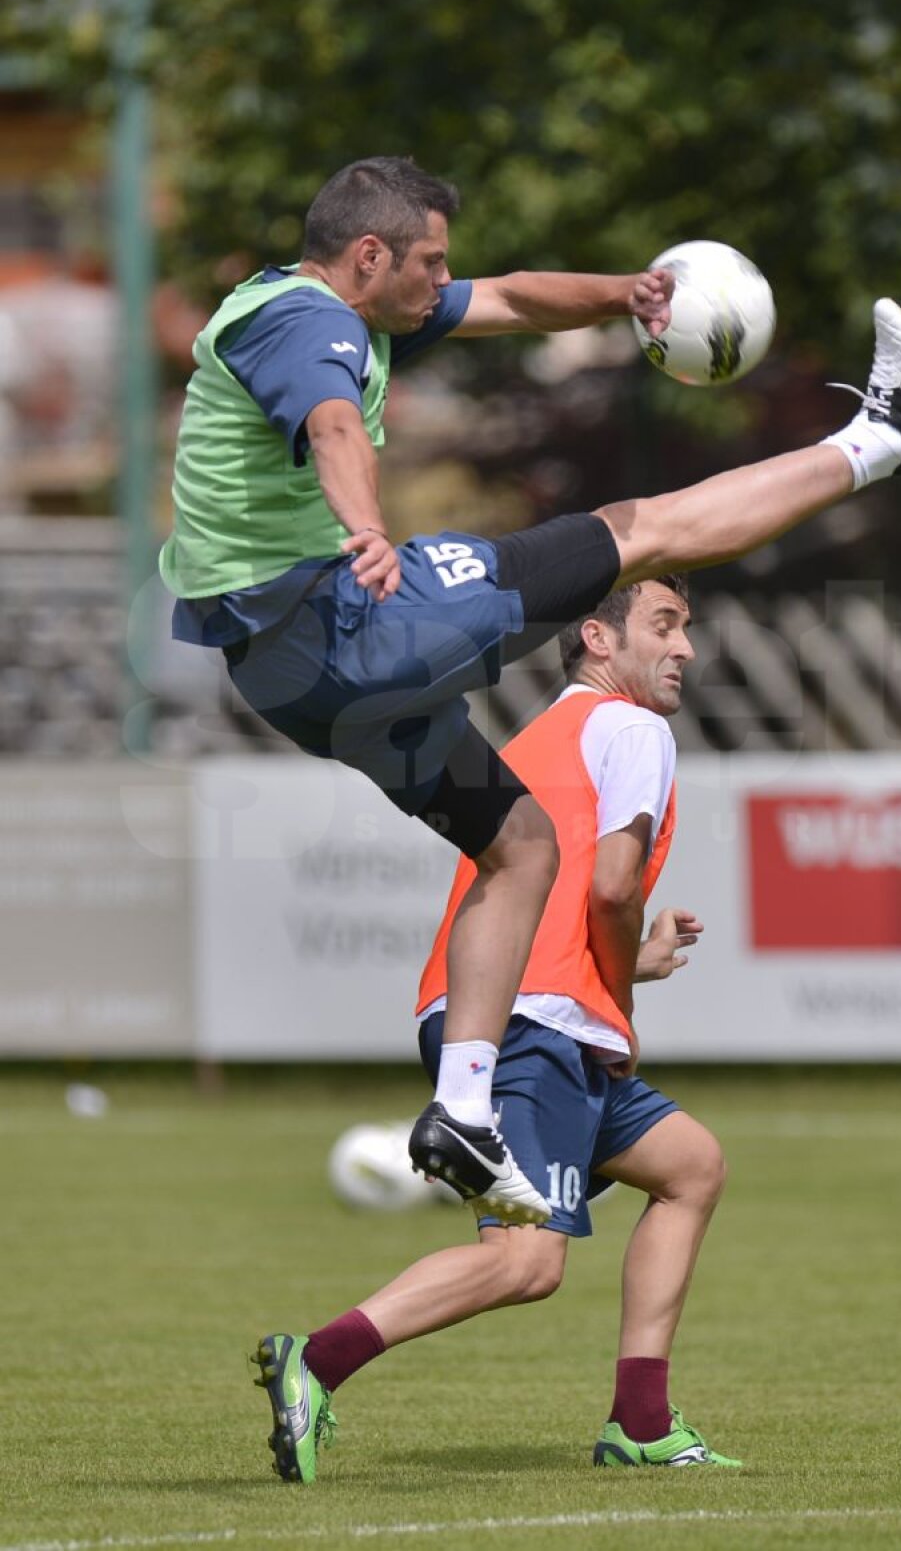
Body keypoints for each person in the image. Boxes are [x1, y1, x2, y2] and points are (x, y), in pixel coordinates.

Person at [160, 154, 901, 1227]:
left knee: (520, 844)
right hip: (350, 620)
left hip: (294, 681)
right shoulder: (314, 325)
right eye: (429, 258)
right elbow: (337, 429)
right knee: (642, 531)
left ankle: (462, 1111)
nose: (446, 277)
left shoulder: (330, 305)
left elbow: (518, 296)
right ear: (366, 255)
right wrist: (367, 527)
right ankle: (884, 435)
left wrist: (625, 291)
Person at [252, 574, 746, 1481]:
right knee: (525, 1261)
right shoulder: (636, 728)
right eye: (665, 625)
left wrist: (626, 962)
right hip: (538, 1028)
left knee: (691, 1167)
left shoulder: (531, 738)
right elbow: (611, 886)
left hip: (501, 1010)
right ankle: (316, 1361)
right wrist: (624, 1007)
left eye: (689, 628)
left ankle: (640, 1420)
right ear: (597, 637)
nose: (686, 648)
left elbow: (560, 903)